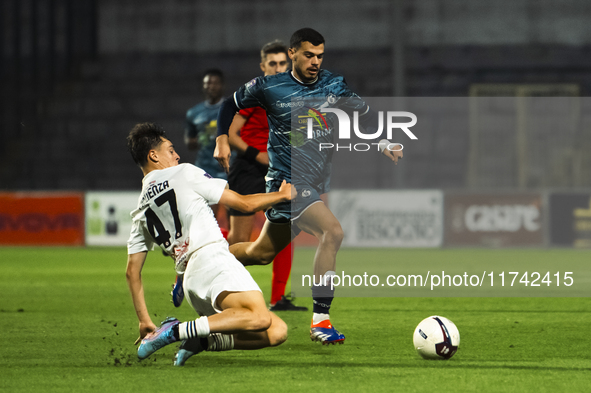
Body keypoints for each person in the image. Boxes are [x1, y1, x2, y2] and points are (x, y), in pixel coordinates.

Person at [214, 28, 403, 345]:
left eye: (320, 56)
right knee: (333, 232)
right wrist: (222, 139)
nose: (315, 61)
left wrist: (382, 140)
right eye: (308, 55)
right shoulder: (269, 87)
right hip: (288, 182)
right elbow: (228, 105)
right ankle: (321, 322)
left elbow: (365, 115)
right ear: (292, 53)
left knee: (261, 254)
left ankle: (202, 261)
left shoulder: (333, 84)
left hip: (313, 183)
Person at [125, 122, 295, 366]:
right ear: (153, 155)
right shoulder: (183, 172)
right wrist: (282, 196)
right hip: (212, 260)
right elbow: (243, 204)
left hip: (193, 282)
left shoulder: (140, 208)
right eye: (171, 150)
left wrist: (144, 320)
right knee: (259, 317)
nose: (177, 155)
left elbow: (132, 272)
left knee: (276, 331)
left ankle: (204, 340)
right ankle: (177, 331)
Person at [227, 40, 306, 312]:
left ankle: (278, 297)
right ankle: (203, 271)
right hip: (249, 167)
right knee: (239, 240)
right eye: (272, 63)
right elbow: (232, 134)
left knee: (285, 229)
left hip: (278, 168)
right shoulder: (256, 93)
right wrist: (259, 156)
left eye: (282, 63)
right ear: (263, 66)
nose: (278, 67)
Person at [185, 69, 227, 180]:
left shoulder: (231, 109)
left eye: (215, 83)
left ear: (222, 85)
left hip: (227, 168)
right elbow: (190, 142)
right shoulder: (194, 113)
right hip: (204, 168)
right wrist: (204, 136)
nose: (211, 87)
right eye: (208, 83)